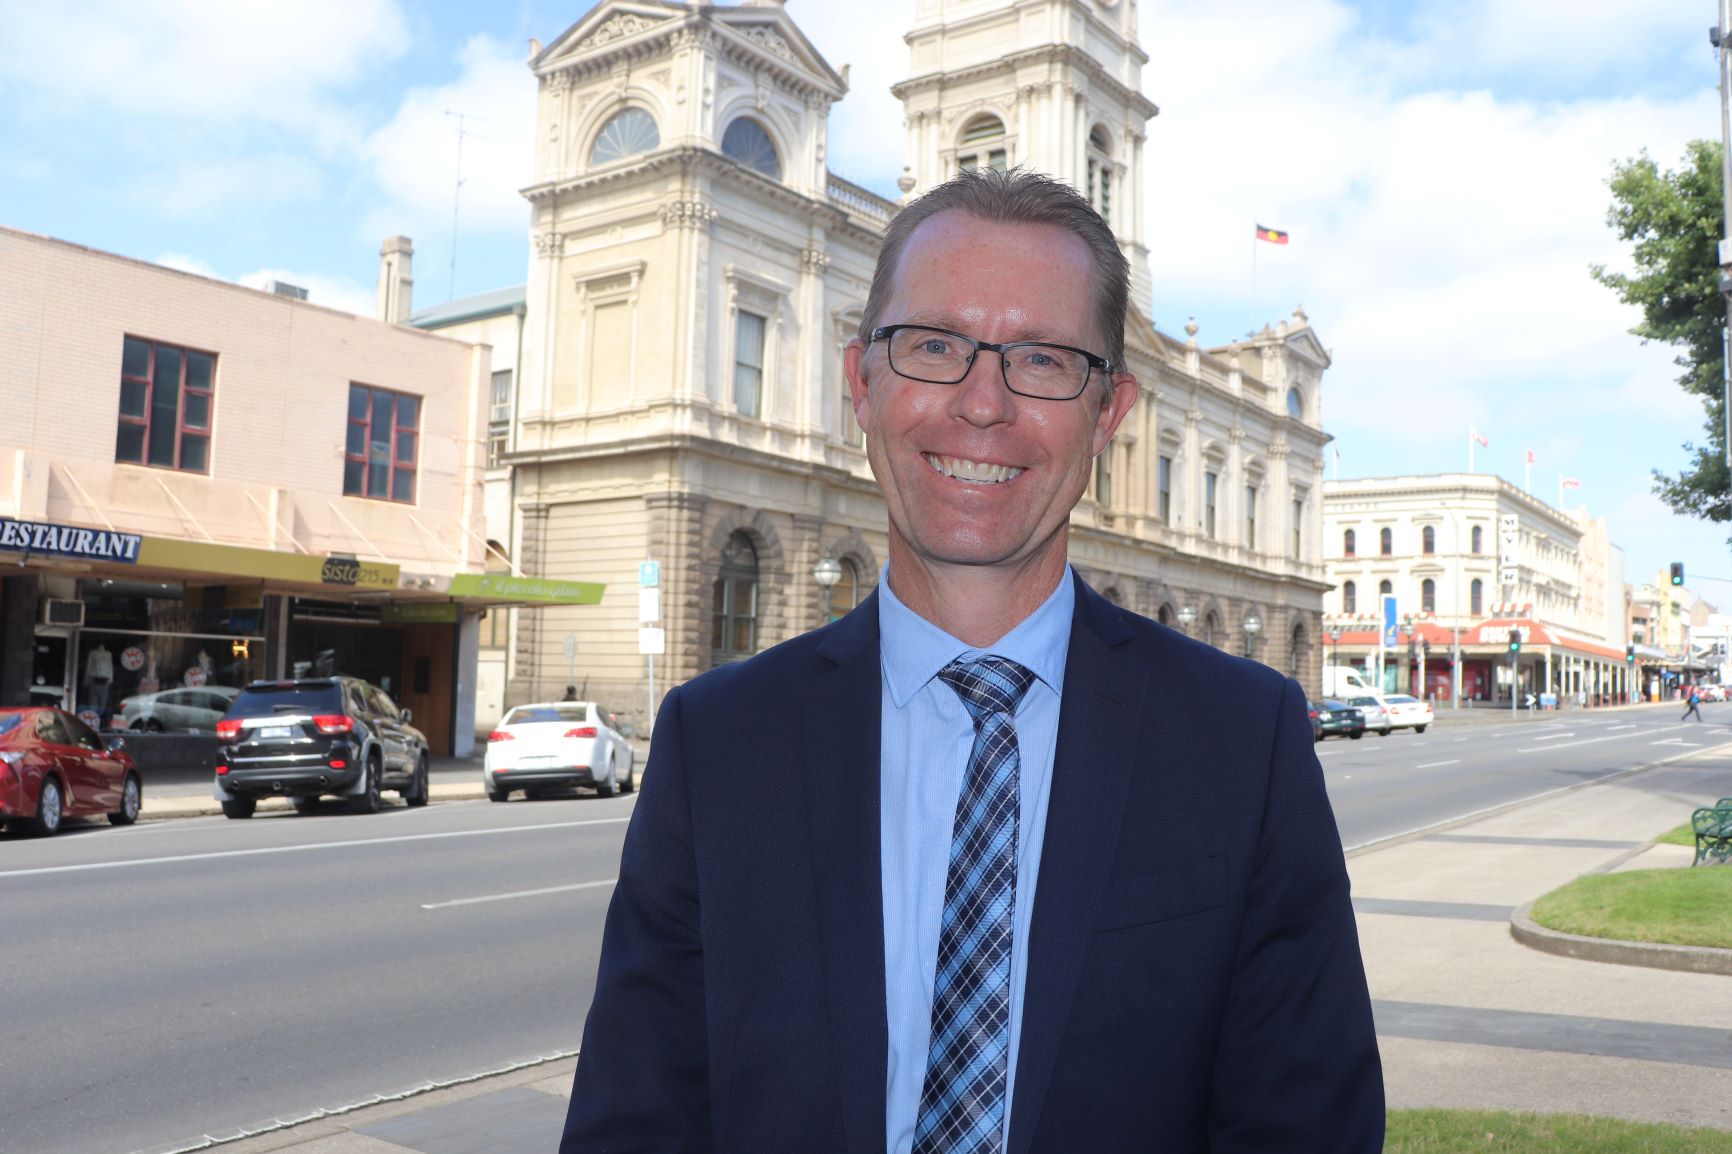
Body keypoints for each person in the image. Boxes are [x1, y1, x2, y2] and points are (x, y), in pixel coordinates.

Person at [561, 169, 1383, 1152]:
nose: (981, 402)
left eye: (1041, 357)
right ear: (860, 380)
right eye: (935, 345)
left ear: (1108, 410)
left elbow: (1304, 1127)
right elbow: (637, 1120)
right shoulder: (720, 741)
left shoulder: (1241, 742)